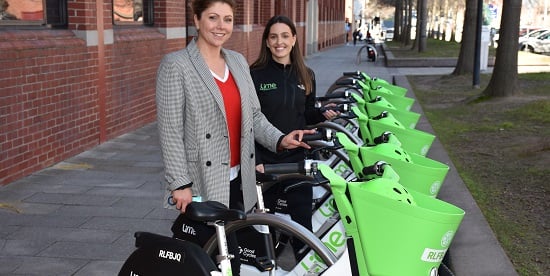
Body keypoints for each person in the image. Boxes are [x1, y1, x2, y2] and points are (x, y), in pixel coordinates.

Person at [156, 0, 314, 274]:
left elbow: (254, 117)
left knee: (226, 259)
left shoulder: (238, 62)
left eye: (227, 19)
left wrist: (280, 139)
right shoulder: (176, 65)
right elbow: (170, 130)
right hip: (202, 181)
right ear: (197, 20)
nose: (221, 26)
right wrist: (179, 183)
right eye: (213, 18)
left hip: (240, 179)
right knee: (214, 259)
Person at [249, 15, 339, 259]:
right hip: (265, 162)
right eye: (274, 37)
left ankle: (304, 261)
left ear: (294, 39)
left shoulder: (306, 74)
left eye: (285, 36)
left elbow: (305, 113)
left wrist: (321, 112)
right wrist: (255, 160)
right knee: (264, 230)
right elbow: (250, 122)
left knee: (302, 227)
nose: (280, 42)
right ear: (267, 42)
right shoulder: (254, 75)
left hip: (297, 159)